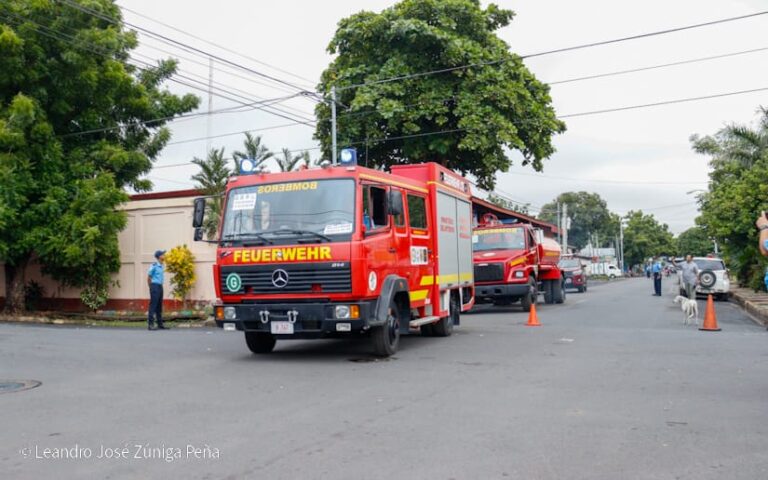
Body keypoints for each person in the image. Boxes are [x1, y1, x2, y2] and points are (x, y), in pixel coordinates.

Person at [147, 249, 167, 330]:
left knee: (159, 306)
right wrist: (151, 287)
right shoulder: (154, 266)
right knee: (153, 305)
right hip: (154, 286)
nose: (164, 255)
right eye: (163, 254)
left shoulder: (161, 265)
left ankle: (160, 324)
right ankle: (150, 324)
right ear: (159, 257)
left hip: (160, 286)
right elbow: (149, 277)